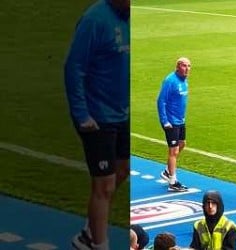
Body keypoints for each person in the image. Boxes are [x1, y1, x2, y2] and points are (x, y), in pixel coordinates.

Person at [64, 0, 130, 249]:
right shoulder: (95, 20)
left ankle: (89, 230)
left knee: (123, 170)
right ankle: (97, 244)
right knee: (104, 184)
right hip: (97, 115)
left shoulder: (129, 18)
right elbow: (74, 67)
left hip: (122, 112)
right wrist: (81, 114)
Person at [157, 57, 191, 192]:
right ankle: (173, 182)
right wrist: (164, 120)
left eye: (189, 66)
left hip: (180, 120)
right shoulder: (170, 81)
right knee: (174, 150)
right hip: (171, 122)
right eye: (184, 66)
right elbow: (161, 101)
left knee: (182, 144)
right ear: (178, 67)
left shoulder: (184, 81)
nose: (187, 69)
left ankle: (167, 171)